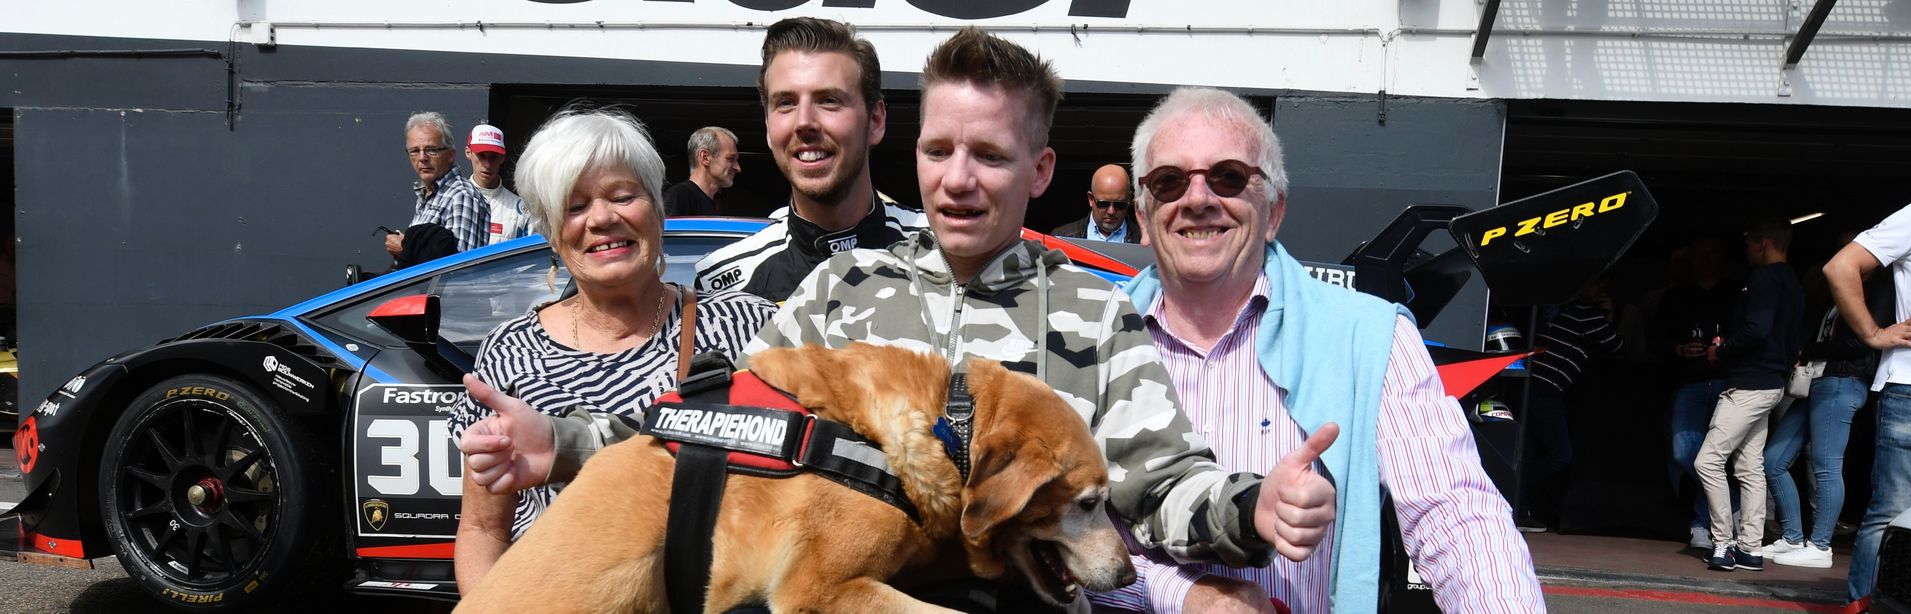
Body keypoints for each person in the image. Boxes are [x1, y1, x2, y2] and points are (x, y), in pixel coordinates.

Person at [461, 27, 1338, 609]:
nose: (959, 179)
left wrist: (1255, 510)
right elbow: (714, 441)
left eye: (990, 155)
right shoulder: (840, 291)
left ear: (1040, 173)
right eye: (939, 150)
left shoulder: (1089, 311)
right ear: (911, 152)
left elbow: (1159, 484)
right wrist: (567, 444)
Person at [1092, 87, 1542, 614]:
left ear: (1274, 211)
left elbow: (1456, 514)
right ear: (1144, 217)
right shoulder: (1087, 340)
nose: (1198, 199)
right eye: (1170, 181)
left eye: (1229, 177)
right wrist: (1187, 597)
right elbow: (1048, 540)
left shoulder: (1371, 339)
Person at [448, 109, 776, 588]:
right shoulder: (510, 352)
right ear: (552, 234)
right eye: (575, 207)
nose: (602, 218)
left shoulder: (745, 326)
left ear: (657, 209)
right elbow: (482, 528)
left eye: (623, 196)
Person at [695, 17, 927, 304]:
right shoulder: (721, 283)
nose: (804, 122)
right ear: (768, 126)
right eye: (786, 103)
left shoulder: (943, 255)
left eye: (829, 100)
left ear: (876, 121)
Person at [1760, 232, 1891, 569]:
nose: (1846, 253)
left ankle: (1819, 547)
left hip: (1844, 381)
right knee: (1774, 459)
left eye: (1853, 248)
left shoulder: (1878, 289)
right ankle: (1792, 537)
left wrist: (1811, 350)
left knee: (1826, 466)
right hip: (1819, 380)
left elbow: (1863, 341)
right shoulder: (1839, 287)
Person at [1695, 218, 1803, 572]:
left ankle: (1723, 543)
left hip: (1750, 383)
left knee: (1707, 461)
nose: (1744, 251)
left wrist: (1721, 351)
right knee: (1749, 467)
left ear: (1761, 242)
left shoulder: (1764, 278)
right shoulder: (1793, 281)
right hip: (1773, 382)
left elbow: (1756, 328)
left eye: (1747, 244)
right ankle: (1750, 548)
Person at [1825, 201, 1911, 602]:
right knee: (1893, 512)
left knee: (1892, 512)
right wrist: (1872, 333)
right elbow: (1839, 267)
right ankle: (1865, 606)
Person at [1516, 276, 1624, 532]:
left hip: (1529, 385)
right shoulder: (1586, 314)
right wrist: (1608, 313)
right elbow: (1617, 345)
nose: (1601, 289)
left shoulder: (1557, 309)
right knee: (1560, 455)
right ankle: (1511, 491)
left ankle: (1518, 508)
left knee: (1526, 452)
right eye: (1596, 283)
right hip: (1545, 390)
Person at [1653, 236, 1738, 549]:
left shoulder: (1736, 293)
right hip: (1688, 382)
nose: (1704, 260)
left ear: (1722, 256)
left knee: (1717, 458)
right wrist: (1678, 349)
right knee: (1685, 453)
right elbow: (1654, 341)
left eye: (1711, 253)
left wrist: (1725, 349)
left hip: (1728, 383)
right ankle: (1735, 499)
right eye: (1698, 254)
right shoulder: (1676, 296)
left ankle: (1702, 523)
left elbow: (1752, 335)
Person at [394, 112, 490, 257]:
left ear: (451, 155)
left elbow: (461, 269)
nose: (422, 158)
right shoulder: (428, 193)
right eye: (414, 151)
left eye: (431, 150)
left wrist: (404, 248)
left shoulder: (461, 196)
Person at [467, 123, 530, 245]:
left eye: (494, 157)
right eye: (481, 156)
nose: (487, 165)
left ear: (502, 158)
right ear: (468, 153)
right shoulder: (454, 201)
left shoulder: (521, 209)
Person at [663, 126, 741, 217]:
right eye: (730, 159)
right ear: (705, 158)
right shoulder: (679, 197)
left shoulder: (716, 204)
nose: (738, 168)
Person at [1050, 163, 1140, 243]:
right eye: (1104, 204)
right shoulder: (1061, 238)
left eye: (1119, 205)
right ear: (1091, 199)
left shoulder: (1146, 241)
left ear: (1129, 199)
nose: (1111, 211)